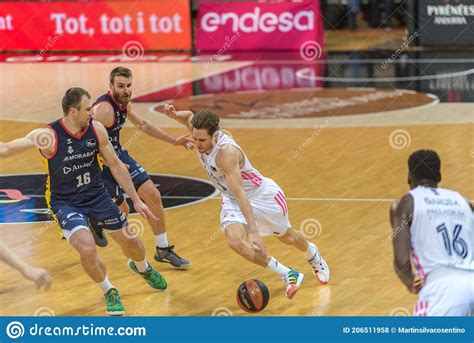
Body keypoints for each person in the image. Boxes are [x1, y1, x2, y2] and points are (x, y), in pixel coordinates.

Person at [0, 87, 167, 316]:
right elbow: (7, 149)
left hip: (96, 194)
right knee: (87, 248)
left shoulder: (96, 129)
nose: (93, 112)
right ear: (72, 111)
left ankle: (142, 267)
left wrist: (136, 200)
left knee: (131, 242)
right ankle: (109, 290)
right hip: (64, 201)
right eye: (88, 109)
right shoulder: (48, 136)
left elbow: (116, 165)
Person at [163, 108, 330, 298]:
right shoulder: (199, 132)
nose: (197, 144)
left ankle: (312, 254)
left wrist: (254, 231)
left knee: (288, 238)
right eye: (195, 139)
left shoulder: (226, 153)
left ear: (215, 136)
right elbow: (188, 116)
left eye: (202, 140)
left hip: (262, 196)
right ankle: (288, 274)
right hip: (232, 199)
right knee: (235, 241)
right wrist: (174, 114)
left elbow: (240, 192)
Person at [91, 67, 191, 269]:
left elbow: (143, 125)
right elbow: (87, 140)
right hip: (100, 164)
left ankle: (162, 249)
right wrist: (109, 161)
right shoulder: (103, 110)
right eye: (121, 86)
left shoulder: (123, 103)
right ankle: (96, 220)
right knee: (123, 210)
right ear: (111, 87)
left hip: (118, 156)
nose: (126, 90)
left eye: (128, 86)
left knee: (153, 195)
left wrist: (173, 141)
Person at [390, 149, 473, 316]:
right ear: (439, 176)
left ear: (409, 177)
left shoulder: (406, 203)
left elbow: (402, 260)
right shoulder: (464, 202)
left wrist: (409, 282)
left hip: (442, 291)